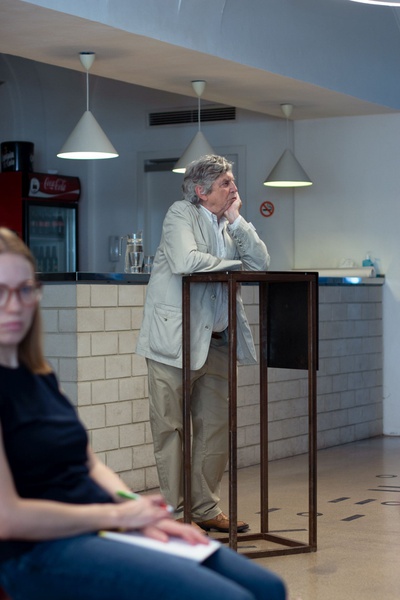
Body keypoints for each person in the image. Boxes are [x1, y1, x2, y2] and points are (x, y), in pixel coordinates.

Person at [0, 227, 285, 600]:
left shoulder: (39, 376)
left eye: (24, 290)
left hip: (103, 524)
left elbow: (89, 465)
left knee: (267, 587)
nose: (14, 305)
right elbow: (8, 517)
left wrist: (138, 510)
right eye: (1, 291)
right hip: (44, 549)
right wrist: (118, 517)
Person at [136, 154, 270, 533]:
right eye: (226, 183)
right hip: (174, 343)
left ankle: (206, 508)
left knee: (214, 428)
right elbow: (186, 260)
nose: (234, 188)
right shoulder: (181, 213)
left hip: (218, 342)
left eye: (232, 181)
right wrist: (234, 266)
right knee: (171, 429)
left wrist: (237, 220)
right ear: (201, 190)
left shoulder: (229, 226)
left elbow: (260, 263)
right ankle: (179, 515)